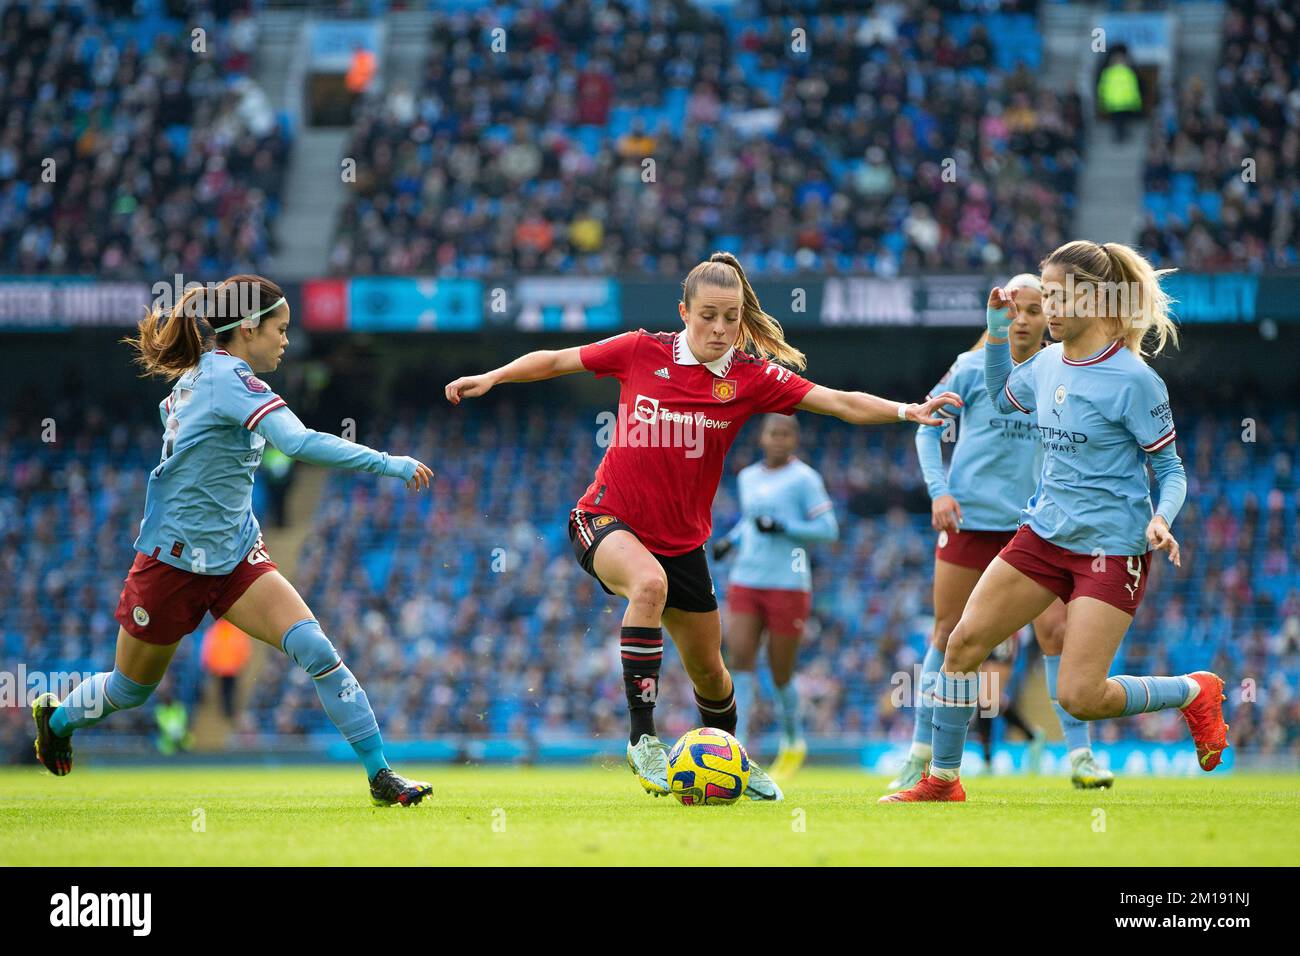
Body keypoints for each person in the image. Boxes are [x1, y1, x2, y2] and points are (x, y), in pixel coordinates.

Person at [445, 251, 960, 801]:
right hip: (604, 517)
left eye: (731, 316)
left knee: (712, 674)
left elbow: (835, 402)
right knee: (647, 585)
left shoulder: (749, 376)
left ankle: (729, 760)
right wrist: (493, 376)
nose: (720, 328)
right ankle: (642, 741)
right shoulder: (642, 350)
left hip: (683, 544)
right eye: (708, 315)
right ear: (684, 311)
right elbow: (554, 360)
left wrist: (908, 411)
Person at [31, 275, 438, 808]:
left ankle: (381, 776)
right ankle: (55, 719)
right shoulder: (226, 379)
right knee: (129, 690)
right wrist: (390, 463)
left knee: (315, 648)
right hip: (171, 563)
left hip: (234, 557)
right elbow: (296, 442)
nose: (286, 341)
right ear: (248, 328)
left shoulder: (202, 378)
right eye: (281, 329)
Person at [882, 241, 1228, 803]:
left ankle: (1192, 690)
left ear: (1092, 299)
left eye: (1056, 297)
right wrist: (997, 334)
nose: (1048, 309)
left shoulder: (1135, 380)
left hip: (1111, 549)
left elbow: (1170, 469)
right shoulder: (1045, 363)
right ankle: (942, 780)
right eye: (1045, 296)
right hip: (1042, 536)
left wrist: (1162, 519)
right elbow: (1001, 394)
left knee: (1080, 695)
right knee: (962, 643)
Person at [888, 274, 1114, 792]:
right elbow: (927, 425)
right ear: (999, 315)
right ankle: (920, 753)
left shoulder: (1062, 373)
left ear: (1048, 320)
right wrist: (938, 490)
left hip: (1034, 526)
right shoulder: (970, 368)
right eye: (1014, 309)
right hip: (967, 522)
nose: (1024, 319)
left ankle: (1080, 756)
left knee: (1056, 633)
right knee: (947, 635)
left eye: (1034, 310)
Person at [713, 413, 838, 780]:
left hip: (789, 583)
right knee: (740, 662)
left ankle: (792, 740)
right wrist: (730, 541)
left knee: (781, 671)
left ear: (794, 440)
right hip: (747, 579)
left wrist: (786, 527)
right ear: (762, 437)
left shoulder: (805, 479)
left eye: (786, 434)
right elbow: (751, 521)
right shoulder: (748, 477)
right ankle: (740, 746)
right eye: (773, 433)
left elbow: (828, 530)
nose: (779, 439)